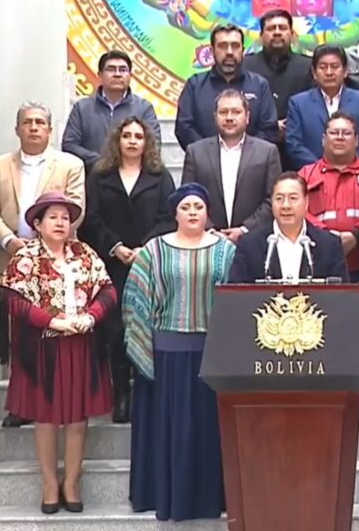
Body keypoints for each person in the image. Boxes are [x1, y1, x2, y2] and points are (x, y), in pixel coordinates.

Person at [0, 191, 117, 514]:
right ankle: (49, 483)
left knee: (78, 418)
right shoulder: (26, 257)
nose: (61, 222)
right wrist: (52, 321)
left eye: (65, 217)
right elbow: (13, 300)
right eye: (53, 217)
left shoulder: (85, 253)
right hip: (42, 349)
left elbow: (107, 289)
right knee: (46, 418)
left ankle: (72, 482)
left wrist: (91, 316)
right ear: (37, 224)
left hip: (81, 343)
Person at [123, 183, 237, 522]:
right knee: (169, 432)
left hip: (213, 355)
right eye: (185, 206)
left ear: (207, 213)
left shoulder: (226, 252)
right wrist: (144, 348)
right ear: (174, 212)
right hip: (166, 355)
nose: (192, 212)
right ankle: (163, 494)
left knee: (207, 432)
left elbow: (238, 299)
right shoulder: (152, 251)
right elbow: (135, 299)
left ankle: (209, 498)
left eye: (198, 207)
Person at [0, 100, 86, 428]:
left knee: (49, 333)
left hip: (54, 263)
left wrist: (41, 246)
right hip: (9, 259)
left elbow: (76, 208)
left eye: (41, 122)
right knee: (15, 336)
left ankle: (53, 396)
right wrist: (11, 242)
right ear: (18, 129)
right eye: (28, 122)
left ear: (50, 130)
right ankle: (20, 403)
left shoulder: (70, 165)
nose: (35, 127)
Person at [80, 117, 176, 423]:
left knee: (149, 326)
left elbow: (168, 217)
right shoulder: (99, 175)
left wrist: (144, 248)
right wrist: (116, 247)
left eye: (139, 136)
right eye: (127, 136)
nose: (133, 141)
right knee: (117, 330)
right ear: (117, 141)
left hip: (151, 263)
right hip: (112, 264)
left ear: (147, 142)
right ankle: (121, 394)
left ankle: (145, 394)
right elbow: (91, 219)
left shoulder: (160, 177)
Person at [297, 112, 359, 422]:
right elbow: (295, 208)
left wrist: (356, 234)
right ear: (323, 139)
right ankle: (321, 396)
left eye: (346, 133)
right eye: (333, 132)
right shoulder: (306, 173)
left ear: (357, 140)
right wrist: (327, 240)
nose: (339, 138)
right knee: (317, 335)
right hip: (318, 267)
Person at [181, 89, 281, 243]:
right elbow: (188, 197)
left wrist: (244, 229)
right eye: (223, 112)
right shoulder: (195, 152)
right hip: (206, 241)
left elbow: (273, 198)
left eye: (236, 112)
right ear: (215, 117)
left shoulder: (267, 152)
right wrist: (211, 231)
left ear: (247, 117)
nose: (229, 117)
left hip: (254, 241)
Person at [228, 172, 349, 283]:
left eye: (293, 198)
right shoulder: (249, 244)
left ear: (306, 202)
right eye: (279, 199)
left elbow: (342, 297)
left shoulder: (329, 244)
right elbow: (237, 296)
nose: (285, 206)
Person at [175, 24, 279, 148]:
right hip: (205, 164)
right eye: (223, 46)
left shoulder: (259, 85)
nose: (229, 52)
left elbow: (268, 129)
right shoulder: (194, 85)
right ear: (212, 51)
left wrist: (244, 156)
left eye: (235, 46)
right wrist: (209, 156)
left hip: (252, 164)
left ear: (243, 50)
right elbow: (184, 128)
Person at [284, 45, 359, 170]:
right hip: (313, 177)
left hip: (355, 175)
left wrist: (350, 167)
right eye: (323, 67)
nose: (329, 72)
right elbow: (294, 144)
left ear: (345, 71)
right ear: (314, 73)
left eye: (335, 67)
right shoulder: (298, 103)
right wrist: (321, 169)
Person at [62, 50, 162, 169]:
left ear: (130, 76)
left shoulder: (144, 108)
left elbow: (153, 144)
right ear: (100, 75)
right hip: (92, 177)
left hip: (132, 178)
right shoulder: (82, 108)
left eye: (123, 70)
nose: (117, 74)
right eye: (111, 69)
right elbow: (70, 145)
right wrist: (101, 162)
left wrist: (125, 162)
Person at [241, 8, 314, 168]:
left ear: (292, 34)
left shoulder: (308, 66)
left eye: (282, 28)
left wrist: (290, 127)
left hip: (300, 152)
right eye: (270, 28)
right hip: (254, 152)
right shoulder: (245, 65)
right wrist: (271, 127)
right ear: (260, 36)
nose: (277, 32)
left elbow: (314, 105)